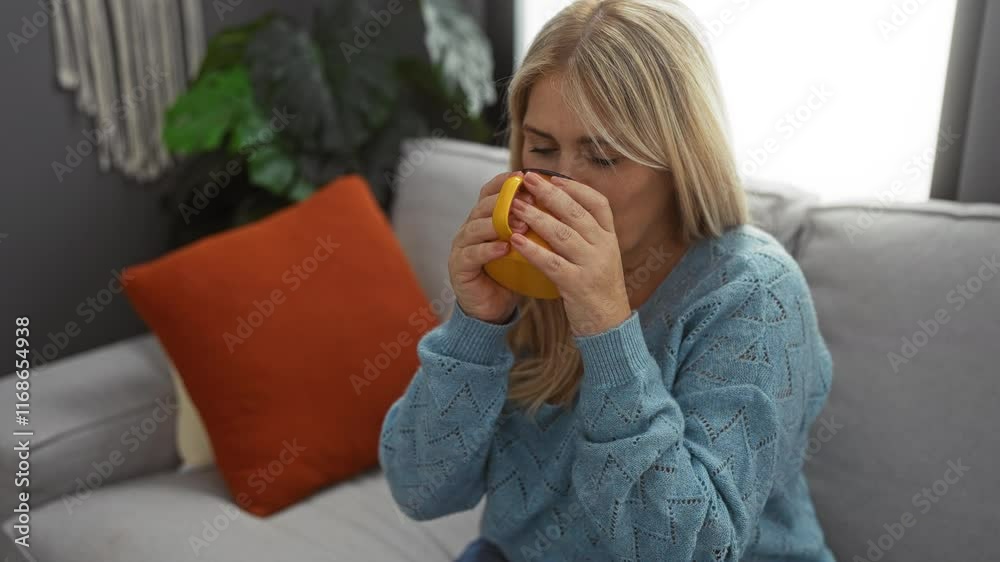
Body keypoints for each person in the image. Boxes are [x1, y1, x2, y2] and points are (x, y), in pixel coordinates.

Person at [378, 0, 836, 560]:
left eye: (602, 155)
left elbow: (687, 551)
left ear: (678, 160)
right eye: (542, 148)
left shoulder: (752, 293)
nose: (561, 185)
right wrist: (475, 325)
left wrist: (606, 329)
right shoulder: (523, 274)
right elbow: (419, 491)